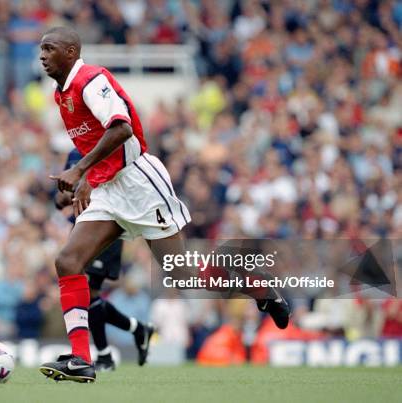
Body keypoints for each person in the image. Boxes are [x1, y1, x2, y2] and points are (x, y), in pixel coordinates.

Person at [38, 26, 289, 383]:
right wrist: (88, 181)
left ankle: (256, 285)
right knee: (68, 261)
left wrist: (79, 169)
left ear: (72, 51)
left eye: (50, 48)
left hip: (139, 182)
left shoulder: (92, 80)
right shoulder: (59, 93)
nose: (43, 55)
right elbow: (93, 140)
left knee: (181, 273)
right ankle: (81, 359)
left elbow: (121, 129)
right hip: (108, 189)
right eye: (41, 49)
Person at [54, 148, 155, 372]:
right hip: (81, 228)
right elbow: (61, 196)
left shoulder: (110, 146)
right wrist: (62, 196)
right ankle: (135, 332)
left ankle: (105, 355)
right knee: (88, 295)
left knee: (88, 291)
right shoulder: (73, 153)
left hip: (106, 225)